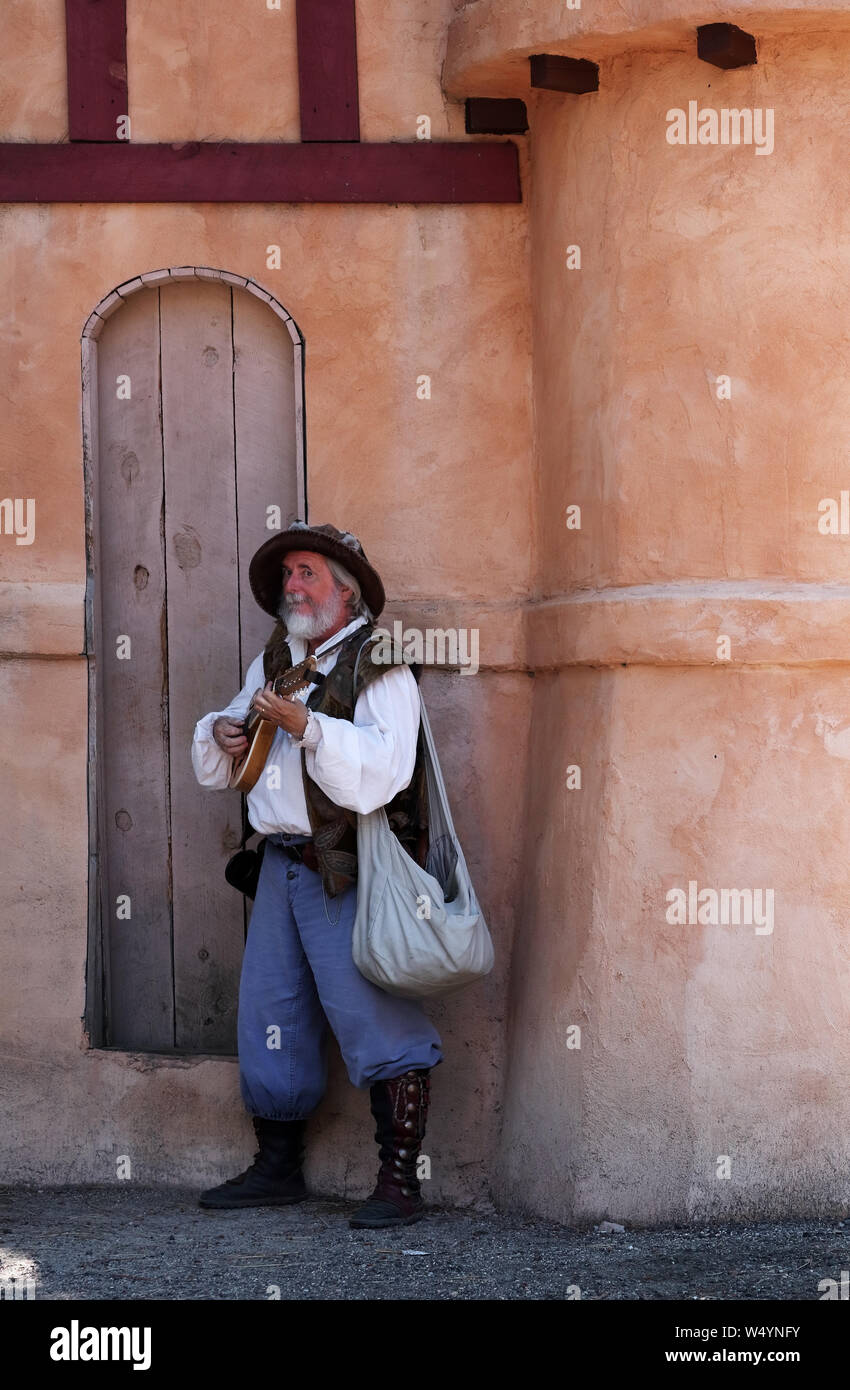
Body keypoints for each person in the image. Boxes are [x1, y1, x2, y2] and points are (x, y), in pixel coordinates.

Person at [190, 521, 443, 1228]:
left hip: (348, 865)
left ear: (345, 588)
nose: (291, 586)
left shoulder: (380, 658)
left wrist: (308, 727)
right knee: (271, 1016)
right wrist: (225, 730)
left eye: (306, 573)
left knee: (376, 1015)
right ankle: (277, 1169)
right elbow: (235, 741)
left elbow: (387, 770)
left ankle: (400, 1181)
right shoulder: (276, 656)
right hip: (279, 866)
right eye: (288, 575)